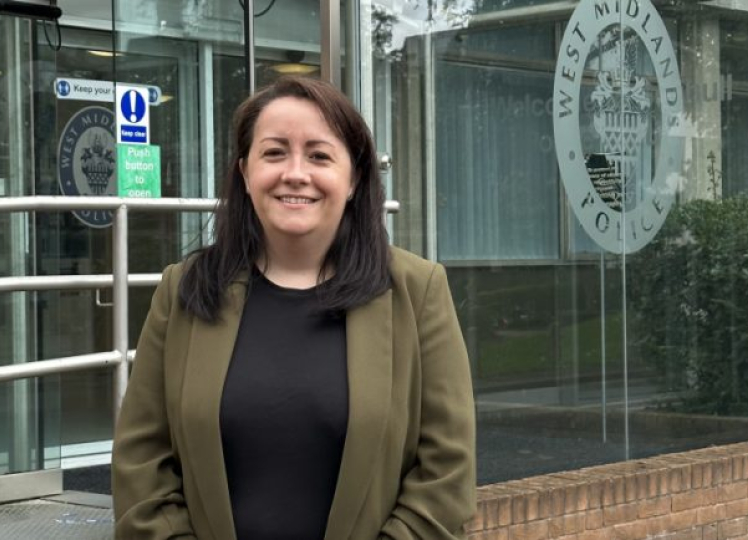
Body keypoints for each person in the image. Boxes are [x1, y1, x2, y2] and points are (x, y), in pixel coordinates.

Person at [111, 75, 476, 540]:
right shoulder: (183, 291)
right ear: (245, 173)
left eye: (320, 155)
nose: (295, 173)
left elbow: (447, 474)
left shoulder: (417, 291)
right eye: (274, 152)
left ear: (354, 178)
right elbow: (142, 464)